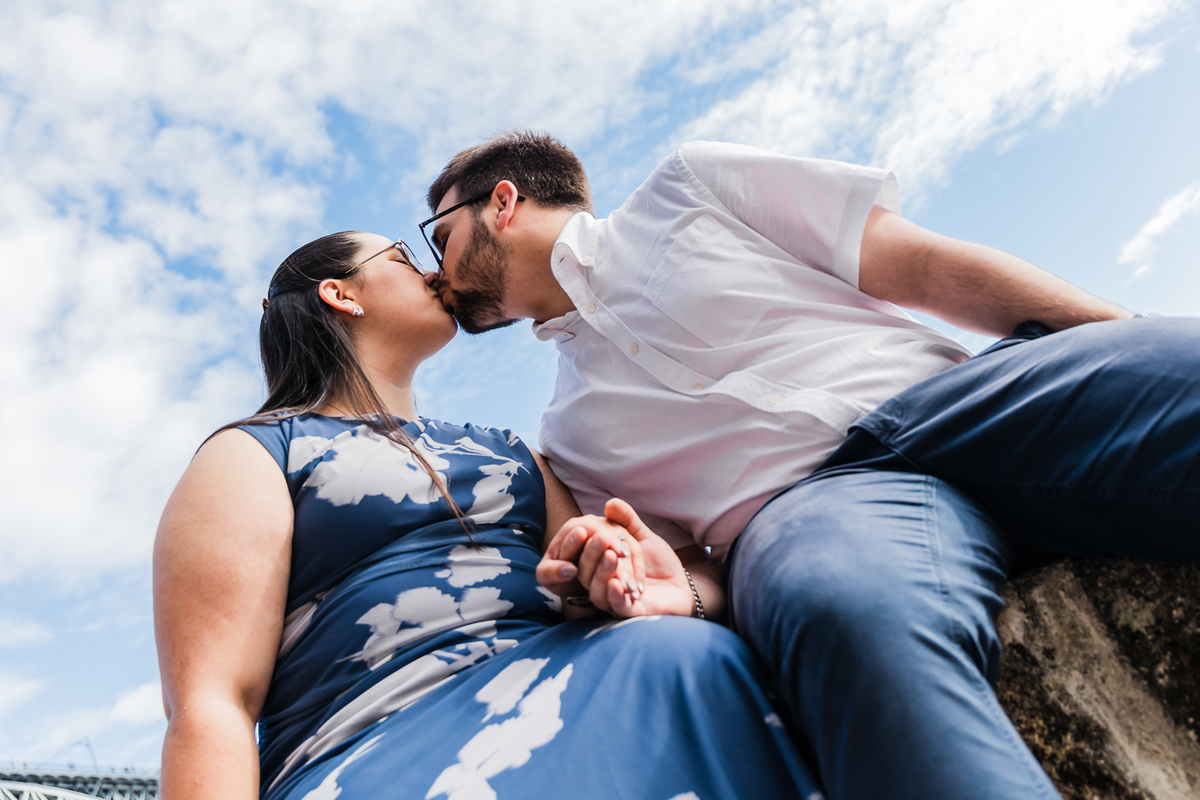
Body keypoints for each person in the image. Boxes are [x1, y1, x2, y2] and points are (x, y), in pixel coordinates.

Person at [422, 131, 1200, 800]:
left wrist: (1123, 344)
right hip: (813, 512)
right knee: (842, 616)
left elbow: (921, 266)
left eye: (438, 235)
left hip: (964, 396)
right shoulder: (567, 440)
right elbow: (693, 566)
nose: (437, 271)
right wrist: (675, 592)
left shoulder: (690, 185)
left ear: (502, 201)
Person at [153, 231, 819, 800]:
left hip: (586, 677)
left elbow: (650, 586)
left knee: (688, 654)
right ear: (341, 294)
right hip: (372, 734)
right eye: (404, 260)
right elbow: (213, 704)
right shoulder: (257, 452)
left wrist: (665, 596)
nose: (436, 272)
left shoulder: (509, 453)